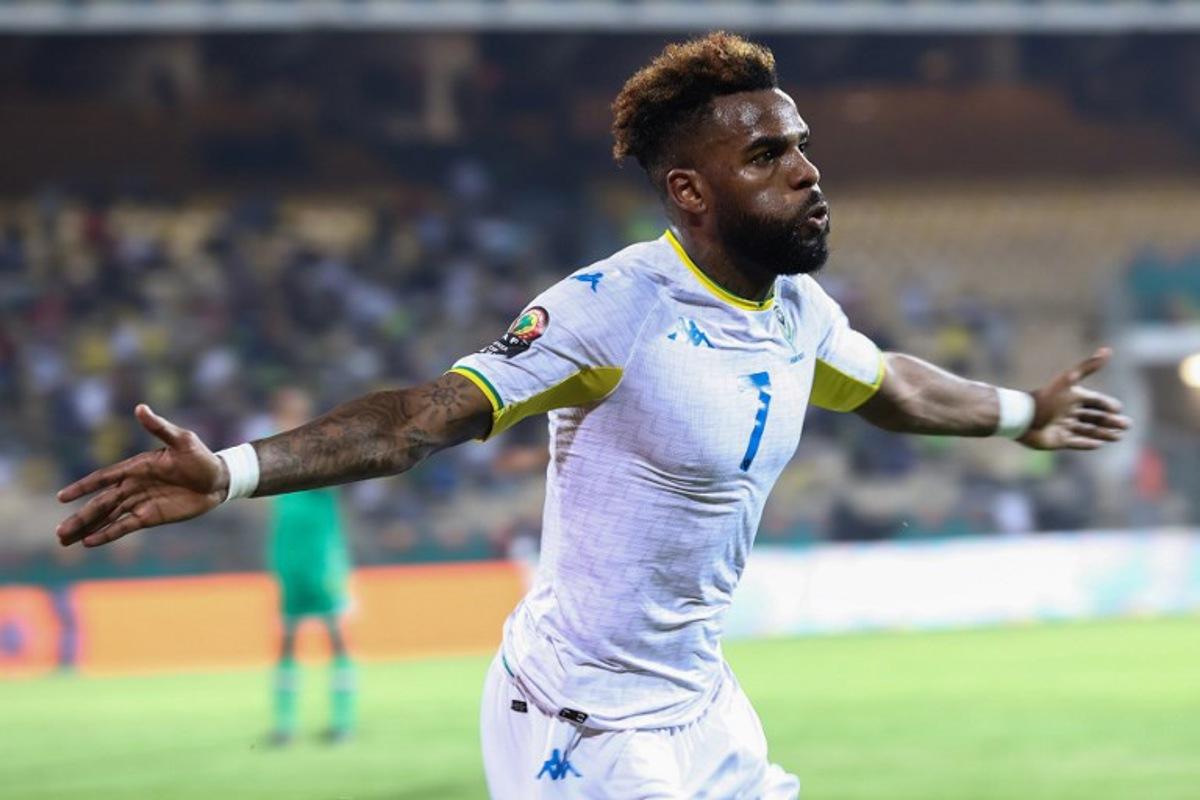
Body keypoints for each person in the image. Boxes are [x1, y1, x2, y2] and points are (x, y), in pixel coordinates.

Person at [54, 32, 1129, 799]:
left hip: (702, 700)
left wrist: (1021, 408)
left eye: (800, 145)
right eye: (766, 156)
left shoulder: (795, 308)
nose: (806, 173)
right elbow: (423, 417)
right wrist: (231, 470)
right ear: (690, 194)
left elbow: (890, 385)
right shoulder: (612, 308)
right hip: (584, 718)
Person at [264, 387, 355, 745]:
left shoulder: (322, 453)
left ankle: (342, 722)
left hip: (322, 561)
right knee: (286, 641)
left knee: (337, 639)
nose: (285, 420)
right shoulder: (274, 457)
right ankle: (284, 726)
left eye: (292, 413)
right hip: (289, 560)